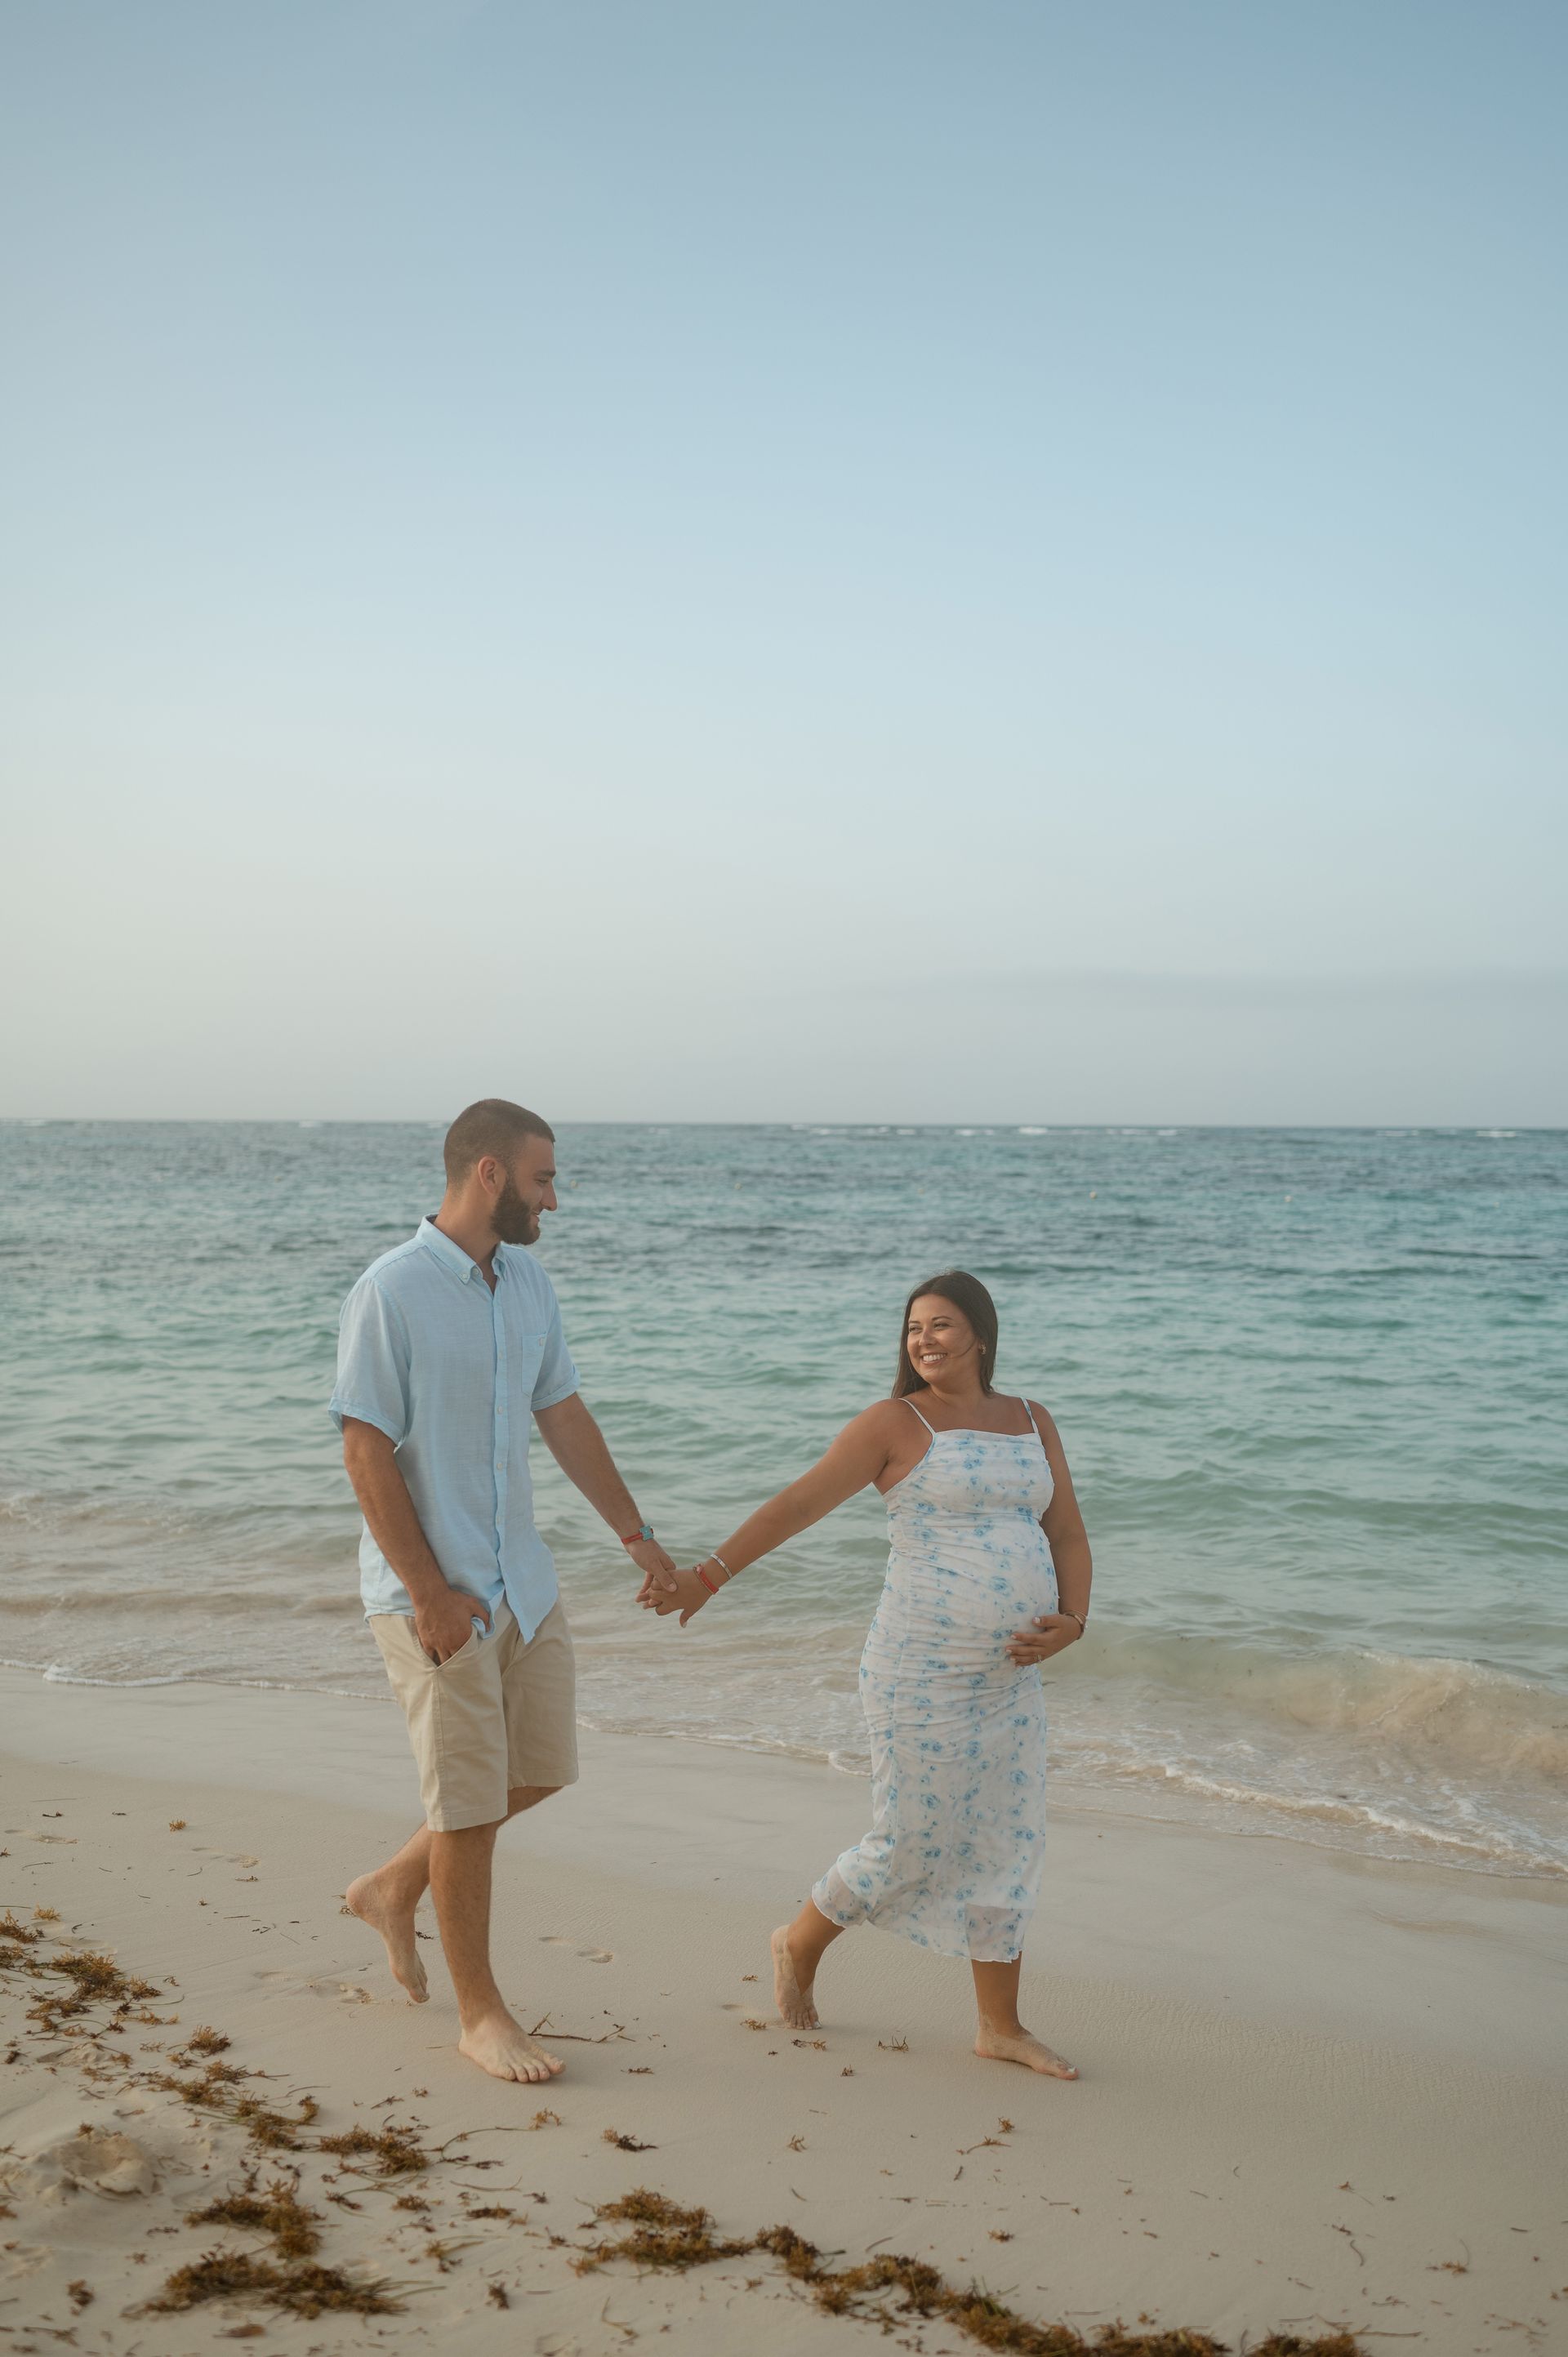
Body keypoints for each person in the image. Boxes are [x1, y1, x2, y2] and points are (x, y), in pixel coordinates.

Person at [644, 1271, 1090, 2079]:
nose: (924, 1340)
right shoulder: (895, 1422)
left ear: (981, 1336)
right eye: (915, 1328)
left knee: (1009, 1843)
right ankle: (800, 1940)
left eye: (943, 1325)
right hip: (917, 1671)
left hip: (1008, 1680)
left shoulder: (1031, 1419)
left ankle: (999, 2026)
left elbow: (1066, 1533)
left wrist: (1075, 1620)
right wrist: (705, 1579)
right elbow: (796, 1506)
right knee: (908, 1839)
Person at [330, 1098, 678, 2084]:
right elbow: (364, 1449)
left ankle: (393, 1886)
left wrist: (637, 1537)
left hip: (521, 1579)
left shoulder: (525, 1281)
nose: (552, 1200)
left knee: (541, 1767)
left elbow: (562, 1413)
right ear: (488, 1174)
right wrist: (429, 1590)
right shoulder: (390, 1291)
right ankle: (479, 2014)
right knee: (471, 1806)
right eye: (542, 1180)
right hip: (433, 1597)